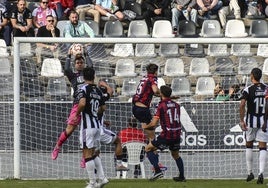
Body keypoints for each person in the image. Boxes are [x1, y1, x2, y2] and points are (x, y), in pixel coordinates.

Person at [51, 54, 92, 160]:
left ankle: (85, 156)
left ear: (84, 64)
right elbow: (66, 69)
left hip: (88, 105)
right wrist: (68, 56)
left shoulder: (88, 74)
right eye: (77, 63)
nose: (79, 64)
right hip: (77, 104)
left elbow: (91, 66)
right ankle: (57, 146)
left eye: (81, 62)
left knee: (87, 132)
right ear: (75, 65)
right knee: (69, 130)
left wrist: (86, 54)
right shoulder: (73, 76)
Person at [142, 85, 185, 182]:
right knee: (175, 155)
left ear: (161, 93)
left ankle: (157, 171)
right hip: (177, 134)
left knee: (148, 148)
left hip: (167, 135)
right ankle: (182, 176)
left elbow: (154, 123)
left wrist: (145, 127)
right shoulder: (177, 105)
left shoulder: (161, 105)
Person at [75, 67, 109, 188]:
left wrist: (76, 114)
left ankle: (92, 182)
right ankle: (102, 178)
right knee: (93, 153)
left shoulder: (83, 88)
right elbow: (103, 108)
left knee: (86, 153)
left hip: (87, 127)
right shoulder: (98, 90)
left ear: (83, 77)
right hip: (96, 126)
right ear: (94, 76)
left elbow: (82, 103)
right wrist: (95, 112)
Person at [240, 68, 268, 184]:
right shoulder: (266, 88)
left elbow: (242, 105)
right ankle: (261, 173)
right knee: (263, 147)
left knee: (249, 145)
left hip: (251, 121)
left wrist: (242, 120)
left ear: (252, 76)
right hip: (263, 121)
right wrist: (266, 121)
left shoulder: (248, 89)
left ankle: (249, 172)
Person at [132, 63, 160, 141]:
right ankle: (152, 151)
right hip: (143, 109)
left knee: (148, 130)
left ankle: (149, 148)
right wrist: (162, 93)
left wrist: (160, 95)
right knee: (151, 132)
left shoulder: (144, 78)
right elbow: (155, 90)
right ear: (156, 71)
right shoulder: (152, 78)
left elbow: (150, 92)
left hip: (135, 107)